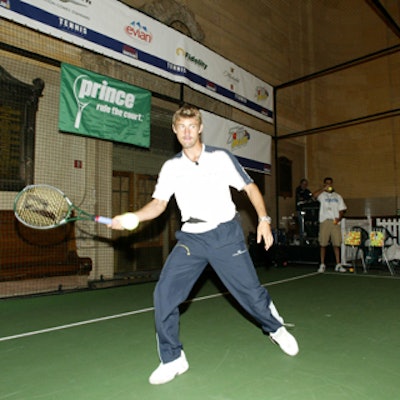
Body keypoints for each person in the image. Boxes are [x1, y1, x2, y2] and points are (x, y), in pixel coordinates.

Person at [110, 104, 299, 385]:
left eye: (191, 126)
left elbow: (249, 187)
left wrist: (263, 218)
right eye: (181, 127)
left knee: (250, 295)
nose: (187, 132)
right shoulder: (171, 167)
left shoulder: (221, 158)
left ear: (199, 128)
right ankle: (173, 359)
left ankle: (276, 329)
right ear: (175, 131)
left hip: (224, 235)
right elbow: (160, 204)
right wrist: (132, 217)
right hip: (192, 239)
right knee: (164, 295)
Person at [312, 177, 347, 273]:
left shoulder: (338, 196)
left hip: (335, 221)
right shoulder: (322, 195)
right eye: (327, 183)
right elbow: (314, 196)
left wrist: (338, 218)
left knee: (336, 243)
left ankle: (338, 264)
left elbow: (342, 209)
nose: (329, 185)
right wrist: (323, 189)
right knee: (323, 243)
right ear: (324, 184)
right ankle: (322, 264)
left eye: (330, 183)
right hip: (324, 221)